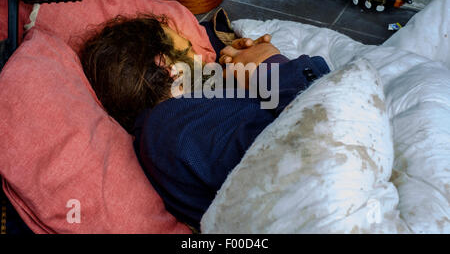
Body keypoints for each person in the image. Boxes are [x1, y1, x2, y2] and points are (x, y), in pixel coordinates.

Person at [80, 13, 331, 231]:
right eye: (190, 52)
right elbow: (316, 138)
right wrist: (270, 68)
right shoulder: (180, 123)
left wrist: (247, 76)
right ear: (168, 66)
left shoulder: (167, 128)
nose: (204, 61)